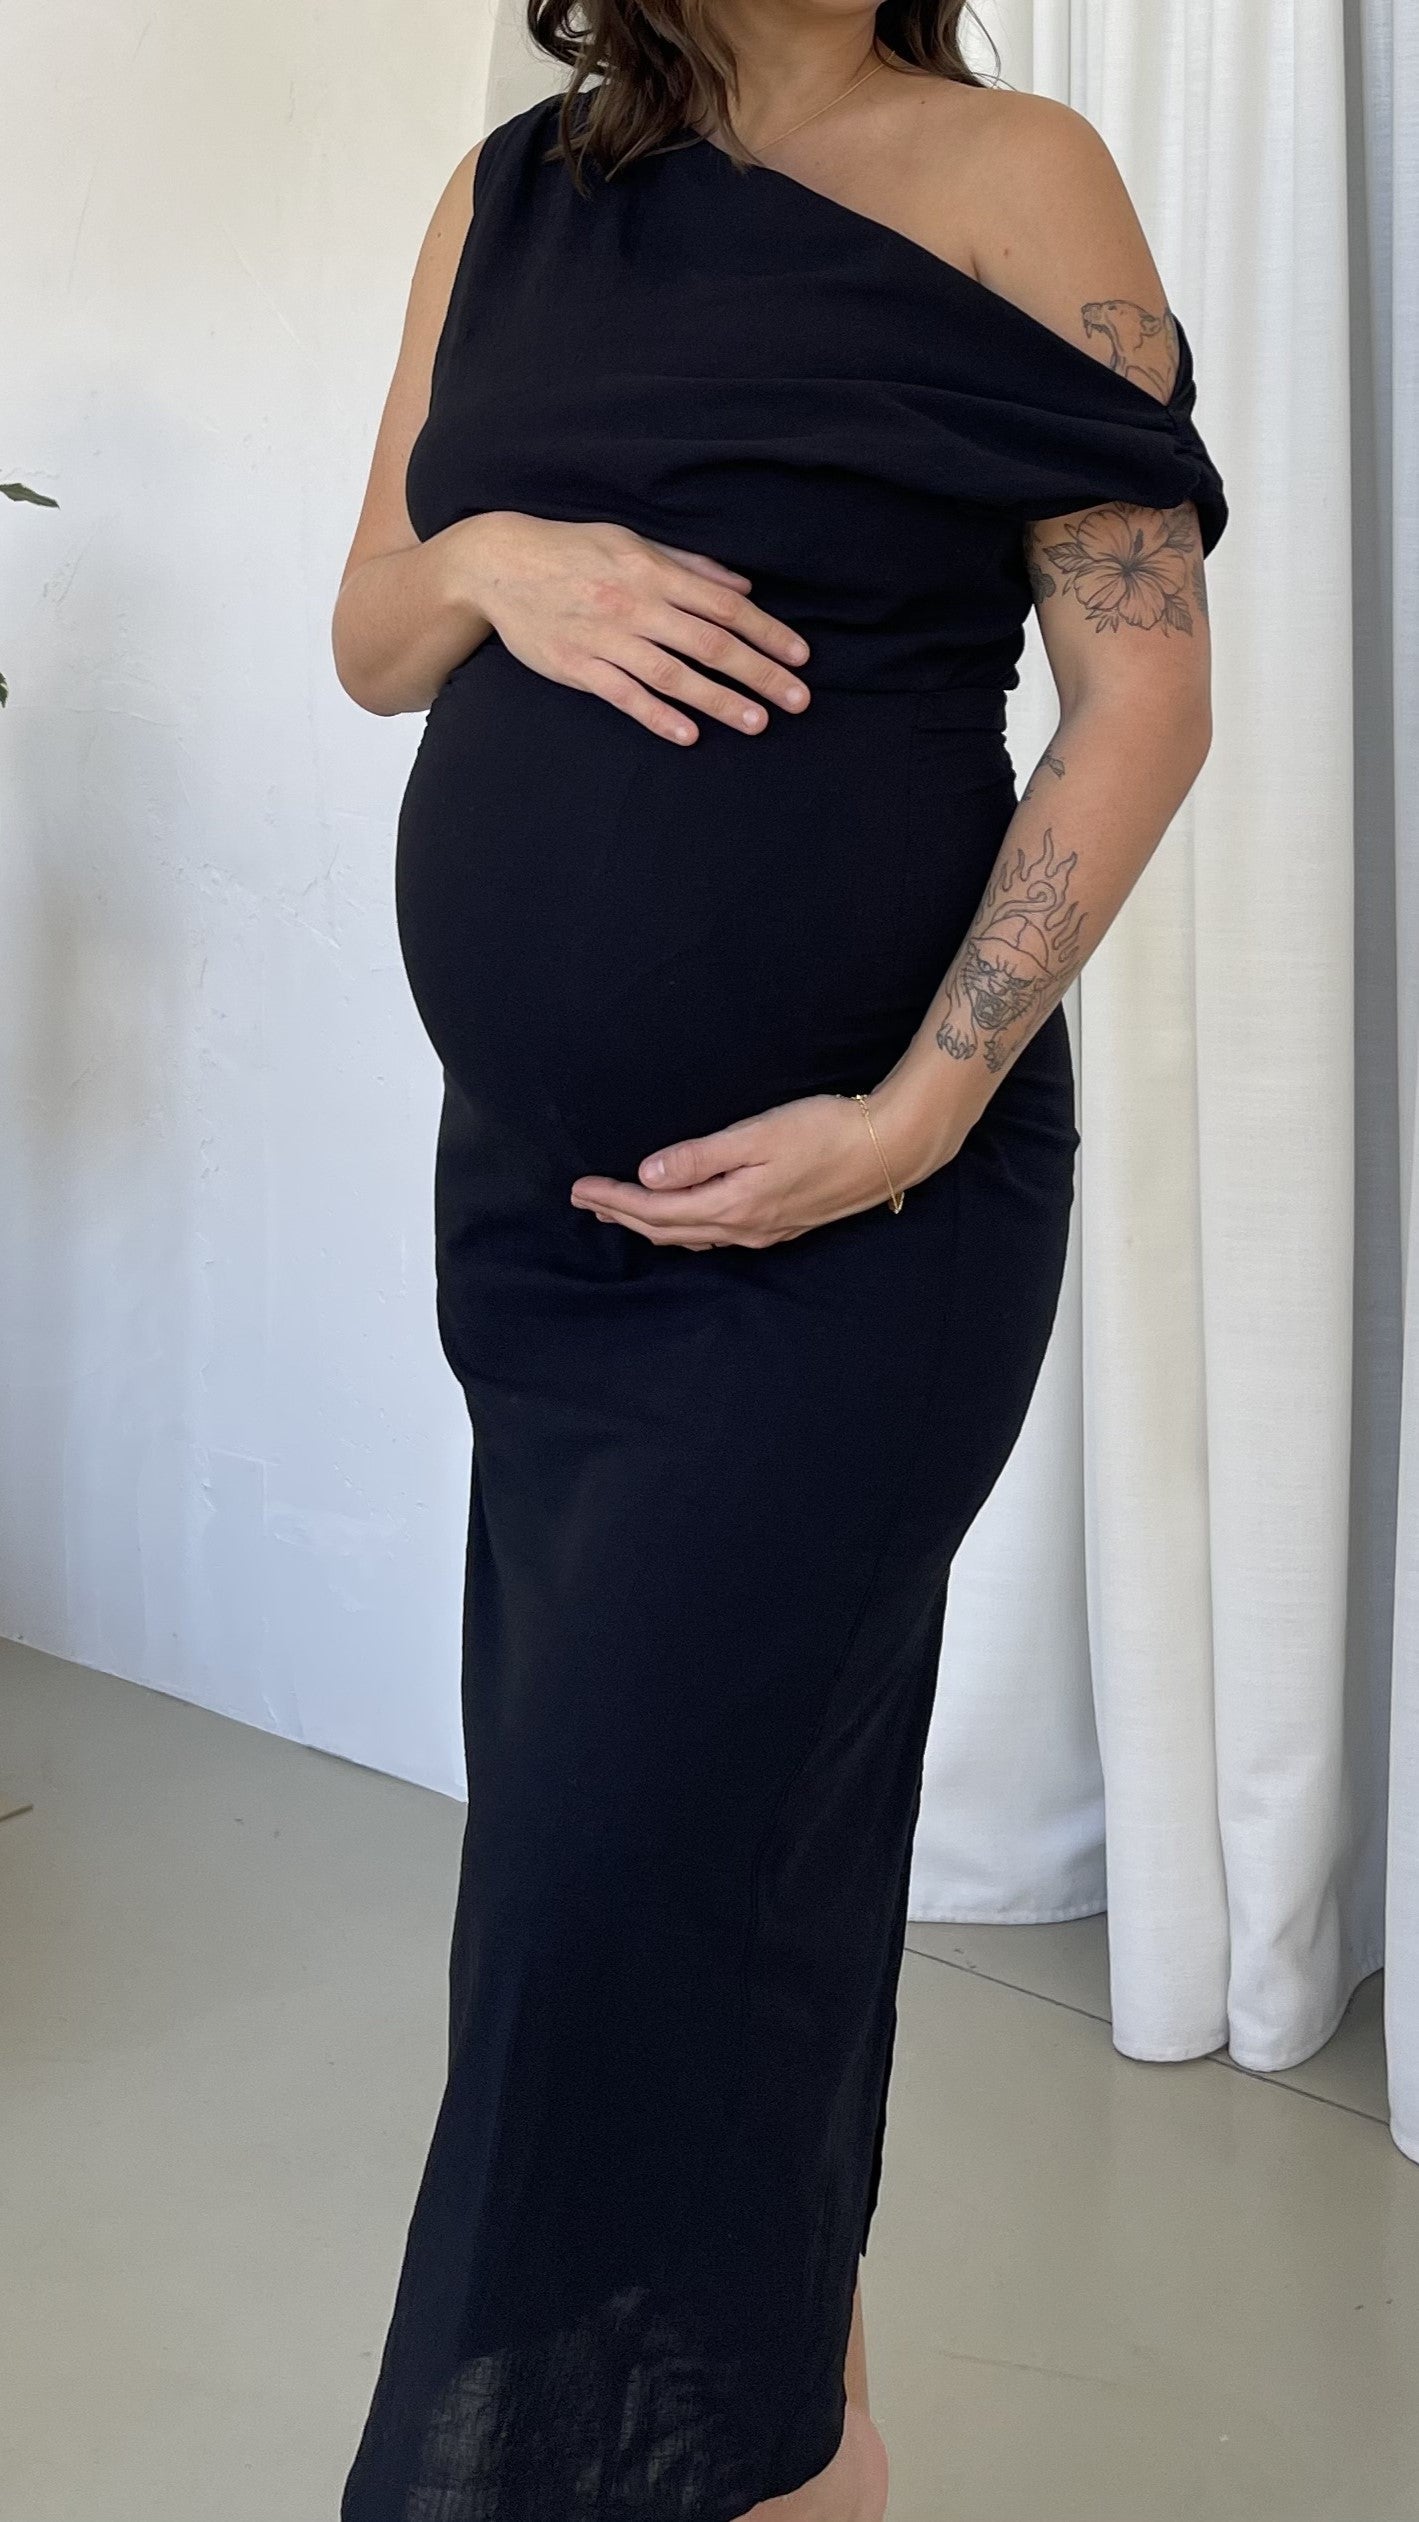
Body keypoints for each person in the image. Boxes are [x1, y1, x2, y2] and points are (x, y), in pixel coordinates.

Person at [330, 1, 1227, 2513]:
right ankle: (794, 2452)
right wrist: (491, 555)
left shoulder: (1015, 171)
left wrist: (921, 1105)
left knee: (610, 1896)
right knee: (691, 1883)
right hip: (541, 1220)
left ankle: (588, 2462)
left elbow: (1140, 694)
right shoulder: (505, 201)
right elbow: (371, 635)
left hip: (865, 1222)